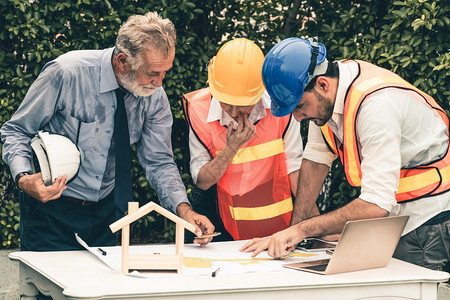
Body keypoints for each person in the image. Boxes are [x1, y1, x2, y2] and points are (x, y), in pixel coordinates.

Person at [1, 12, 214, 253]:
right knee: (44, 291)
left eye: (165, 72)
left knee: (100, 290)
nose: (160, 83)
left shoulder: (154, 97)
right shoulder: (66, 73)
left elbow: (159, 161)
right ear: (122, 60)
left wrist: (184, 210)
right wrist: (24, 178)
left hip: (107, 214)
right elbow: (16, 130)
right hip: (51, 210)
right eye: (153, 73)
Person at [241, 37, 450, 272]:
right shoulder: (326, 99)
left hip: (424, 220)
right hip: (390, 217)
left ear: (322, 85)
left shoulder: (376, 107)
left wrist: (301, 230)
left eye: (299, 107)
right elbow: (315, 161)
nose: (298, 118)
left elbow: (375, 204)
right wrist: (295, 233)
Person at [182, 38, 303, 241]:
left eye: (243, 105)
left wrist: (310, 223)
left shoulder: (280, 107)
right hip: (216, 213)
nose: (233, 112)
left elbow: (294, 167)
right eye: (227, 103)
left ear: (260, 91)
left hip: (273, 215)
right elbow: (201, 181)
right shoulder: (199, 108)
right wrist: (231, 149)